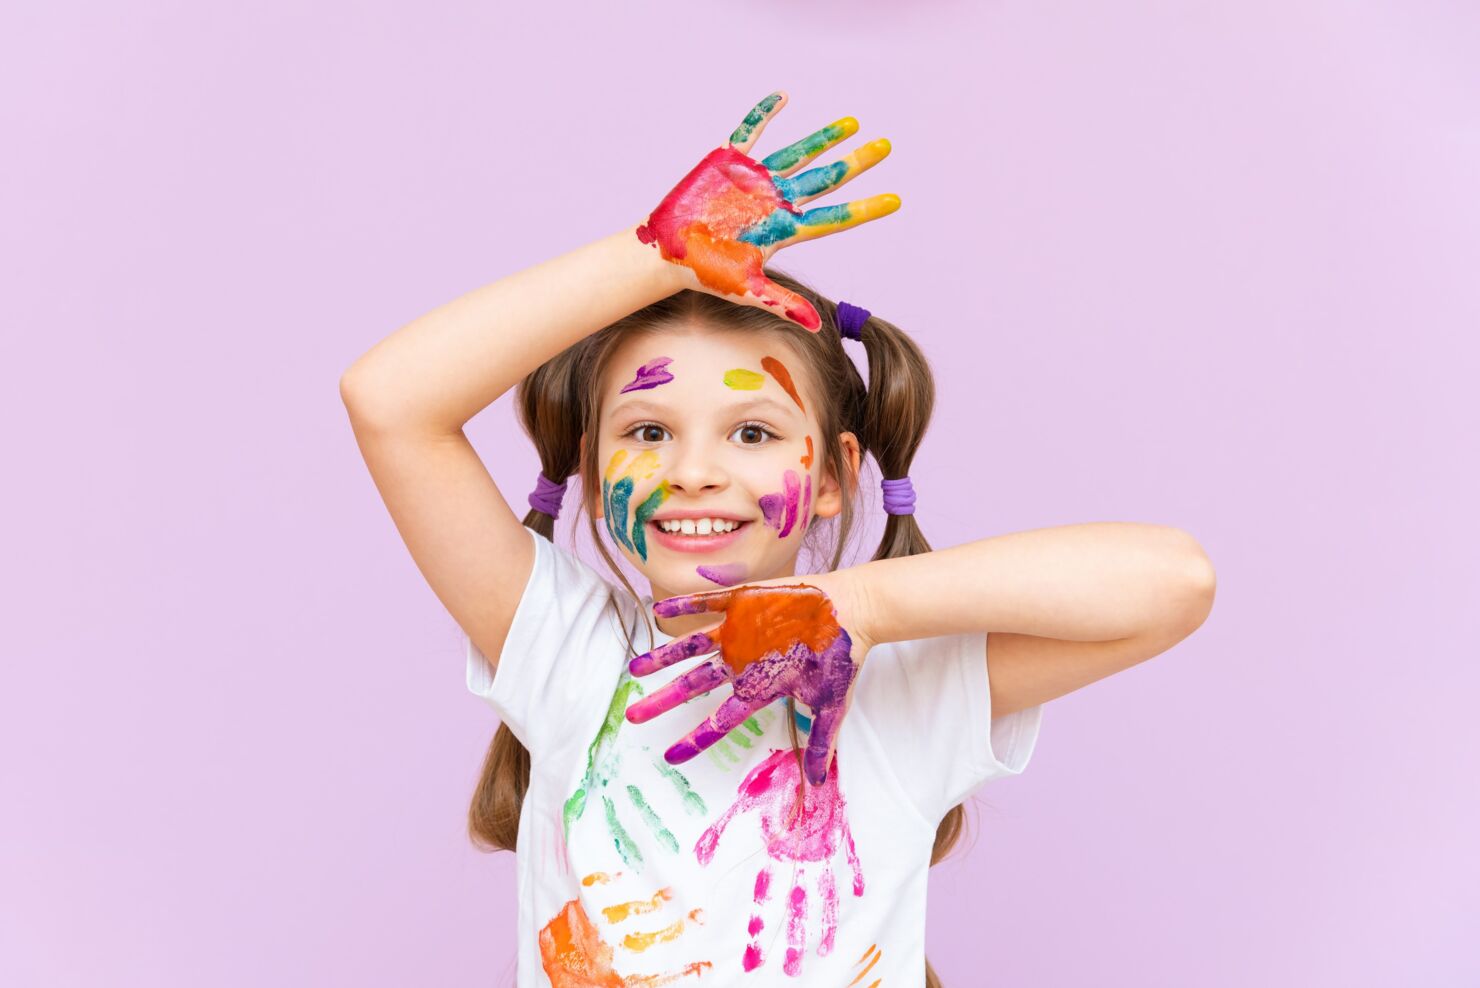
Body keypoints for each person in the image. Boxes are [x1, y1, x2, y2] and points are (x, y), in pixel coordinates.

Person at [340, 91, 1216, 987]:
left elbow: (1174, 581)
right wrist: (651, 258)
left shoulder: (897, 690)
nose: (693, 471)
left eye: (752, 434)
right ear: (595, 477)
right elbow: (390, 402)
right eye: (647, 431)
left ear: (833, 475)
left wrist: (858, 605)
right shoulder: (566, 651)